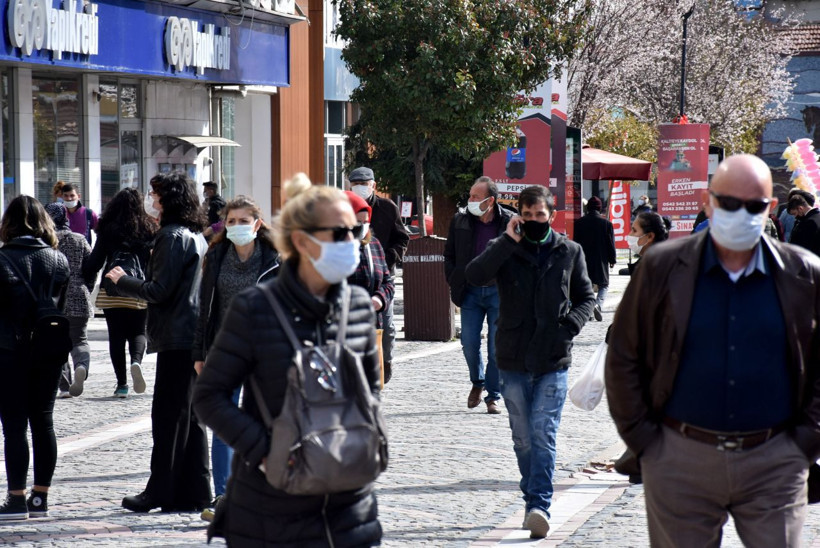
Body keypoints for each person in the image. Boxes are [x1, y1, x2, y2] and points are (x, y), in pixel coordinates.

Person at [607, 154, 820, 547]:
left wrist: (806, 440)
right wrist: (647, 443)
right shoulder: (662, 266)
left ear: (771, 208)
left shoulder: (803, 273)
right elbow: (623, 355)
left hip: (775, 459)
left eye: (753, 206)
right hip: (680, 459)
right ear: (708, 201)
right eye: (729, 203)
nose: (741, 213)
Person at [193, 185, 382, 546]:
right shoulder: (256, 308)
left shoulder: (357, 307)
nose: (351, 242)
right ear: (302, 240)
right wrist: (265, 452)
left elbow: (369, 392)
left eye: (354, 232)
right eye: (338, 233)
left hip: (348, 509)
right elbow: (209, 397)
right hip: (272, 508)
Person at [465, 185, 595, 538]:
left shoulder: (570, 251)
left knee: (543, 433)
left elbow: (587, 297)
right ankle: (531, 496)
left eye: (541, 215)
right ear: (519, 215)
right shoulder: (504, 248)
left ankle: (538, 504)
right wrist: (507, 242)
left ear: (552, 216)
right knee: (523, 438)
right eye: (528, 215)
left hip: (554, 358)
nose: (535, 221)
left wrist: (568, 327)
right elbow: (475, 276)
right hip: (512, 358)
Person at [105, 172, 211, 513]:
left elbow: (158, 290)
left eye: (155, 193)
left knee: (167, 417)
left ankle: (160, 491)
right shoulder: (195, 235)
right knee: (189, 418)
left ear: (169, 199)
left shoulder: (171, 236)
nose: (151, 199)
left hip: (177, 336)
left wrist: (124, 281)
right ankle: (194, 490)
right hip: (192, 334)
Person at [191, 195, 280, 514]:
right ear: (224, 225)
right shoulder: (215, 257)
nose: (238, 227)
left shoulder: (275, 258)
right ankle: (223, 494)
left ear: (257, 224)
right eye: (232, 221)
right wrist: (199, 352)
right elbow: (205, 311)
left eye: (244, 221)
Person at [0, 196, 70, 520]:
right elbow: (59, 308)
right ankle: (40, 498)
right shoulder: (59, 261)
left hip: (9, 352)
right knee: (44, 423)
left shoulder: (2, 259)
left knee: (14, 426)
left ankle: (16, 500)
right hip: (49, 351)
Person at [444, 176, 513, 413]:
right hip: (470, 291)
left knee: (496, 347)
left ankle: (493, 396)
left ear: (490, 200)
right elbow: (449, 254)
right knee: (468, 343)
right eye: (470, 195)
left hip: (499, 292)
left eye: (475, 196)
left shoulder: (510, 222)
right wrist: (454, 277)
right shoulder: (460, 220)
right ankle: (478, 382)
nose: (470, 200)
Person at [82, 188, 156, 397]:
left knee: (116, 336)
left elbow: (94, 262)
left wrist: (84, 276)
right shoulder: (149, 228)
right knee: (138, 332)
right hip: (138, 288)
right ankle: (136, 361)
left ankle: (121, 385)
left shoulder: (107, 229)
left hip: (111, 289)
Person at [348, 166, 409, 382]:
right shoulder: (345, 209)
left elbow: (402, 238)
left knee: (387, 327)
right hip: (354, 279)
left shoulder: (387, 207)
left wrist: (387, 259)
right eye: (356, 184)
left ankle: (386, 361)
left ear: (373, 185)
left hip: (382, 279)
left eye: (364, 184)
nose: (360, 188)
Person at [44, 203, 93, 399]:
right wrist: (86, 287)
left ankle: (64, 386)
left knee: (57, 342)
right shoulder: (79, 239)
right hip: (79, 295)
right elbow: (91, 267)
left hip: (55, 299)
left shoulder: (47, 241)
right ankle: (82, 365)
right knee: (79, 339)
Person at [345, 190, 395, 378]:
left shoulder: (374, 244)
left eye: (366, 221)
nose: (363, 226)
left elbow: (388, 281)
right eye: (357, 221)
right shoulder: (331, 249)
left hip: (372, 325)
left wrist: (380, 298)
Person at [573, 196, 616, 321]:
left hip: (583, 258)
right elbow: (610, 244)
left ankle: (590, 310)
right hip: (601, 259)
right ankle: (598, 304)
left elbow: (575, 242)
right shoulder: (606, 224)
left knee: (587, 284)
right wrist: (612, 259)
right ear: (600, 208)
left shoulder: (579, 223)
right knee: (604, 285)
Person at [787, 188, 820, 256]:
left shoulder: (810, 222)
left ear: (800, 208)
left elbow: (805, 247)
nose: (795, 216)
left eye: (795, 213)